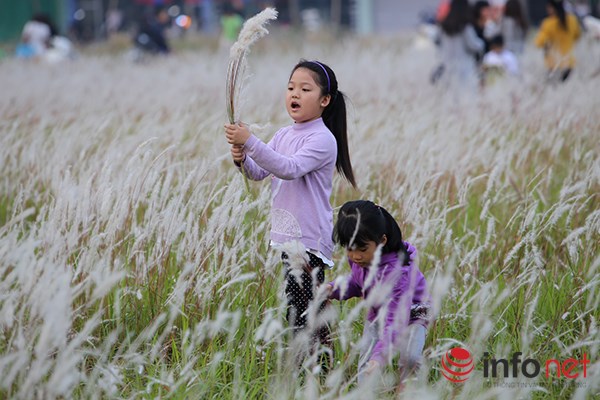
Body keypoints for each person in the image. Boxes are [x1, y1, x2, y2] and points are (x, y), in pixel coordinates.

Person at [224, 60, 356, 362]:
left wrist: (251, 141)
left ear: (324, 101)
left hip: (309, 238)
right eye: (291, 87)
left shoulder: (322, 139)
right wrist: (242, 157)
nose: (294, 94)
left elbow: (288, 168)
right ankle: (316, 370)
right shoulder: (285, 134)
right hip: (288, 237)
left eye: (305, 89)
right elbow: (260, 172)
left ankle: (314, 372)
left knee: (303, 312)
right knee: (300, 309)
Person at [326, 201, 430, 385]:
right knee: (367, 359)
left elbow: (396, 320)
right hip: (378, 311)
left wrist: (380, 357)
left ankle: (409, 393)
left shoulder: (397, 274)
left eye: (362, 249)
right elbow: (358, 282)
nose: (356, 256)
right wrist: (333, 289)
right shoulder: (362, 260)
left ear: (382, 241)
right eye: (350, 249)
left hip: (412, 313)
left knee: (410, 359)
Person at [433, 0, 485, 88]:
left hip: (447, 67)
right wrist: (482, 43)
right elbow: (473, 45)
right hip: (465, 68)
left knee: (449, 95)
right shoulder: (465, 27)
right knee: (466, 96)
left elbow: (436, 41)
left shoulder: (444, 26)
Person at [534, 0, 581, 82]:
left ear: (552, 8)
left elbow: (539, 43)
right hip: (569, 63)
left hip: (554, 64)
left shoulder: (548, 24)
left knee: (553, 89)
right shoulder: (572, 20)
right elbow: (577, 35)